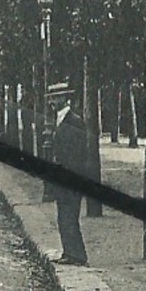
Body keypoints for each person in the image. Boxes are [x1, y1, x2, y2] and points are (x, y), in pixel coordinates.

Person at [48, 84, 89, 266]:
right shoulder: (58, 119)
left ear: (65, 99)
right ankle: (69, 252)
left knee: (70, 216)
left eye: (56, 98)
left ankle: (78, 255)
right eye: (51, 98)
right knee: (63, 216)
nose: (52, 102)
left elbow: (79, 153)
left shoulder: (75, 121)